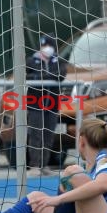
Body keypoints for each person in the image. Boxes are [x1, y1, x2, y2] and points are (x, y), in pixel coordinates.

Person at [25, 33, 67, 175]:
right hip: (35, 102)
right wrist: (45, 76)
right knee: (36, 134)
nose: (46, 48)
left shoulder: (58, 60)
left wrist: (41, 75)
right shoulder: (31, 60)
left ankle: (44, 164)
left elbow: (61, 75)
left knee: (48, 134)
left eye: (49, 45)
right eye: (44, 45)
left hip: (52, 102)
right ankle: (35, 165)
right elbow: (28, 76)